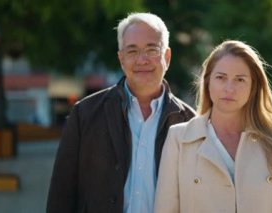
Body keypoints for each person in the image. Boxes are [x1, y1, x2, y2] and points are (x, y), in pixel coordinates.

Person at [47, 12, 196, 213]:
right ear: (121, 59)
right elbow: (61, 193)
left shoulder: (190, 123)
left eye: (152, 50)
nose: (142, 60)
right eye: (132, 51)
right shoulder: (85, 114)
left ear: (167, 57)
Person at [154, 40, 272, 213]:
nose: (229, 88)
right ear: (208, 82)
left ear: (253, 87)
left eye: (240, 80)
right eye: (221, 77)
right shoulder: (179, 139)